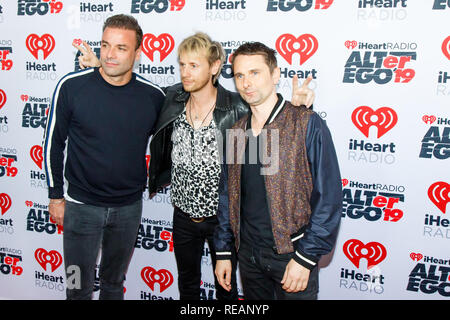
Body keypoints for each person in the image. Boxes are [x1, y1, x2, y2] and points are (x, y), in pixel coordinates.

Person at [75, 33, 315, 300]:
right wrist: (101, 65)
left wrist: (298, 109)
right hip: (183, 216)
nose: (185, 73)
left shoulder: (237, 107)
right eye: (181, 65)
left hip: (222, 220)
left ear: (214, 67)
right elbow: (132, 92)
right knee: (187, 285)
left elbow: (271, 132)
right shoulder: (170, 99)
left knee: (226, 288)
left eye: (193, 65)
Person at [43, 14, 165, 300]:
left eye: (121, 48)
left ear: (138, 52)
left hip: (128, 209)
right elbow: (53, 143)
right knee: (76, 286)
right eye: (105, 45)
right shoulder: (72, 86)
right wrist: (55, 196)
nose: (110, 54)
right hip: (79, 209)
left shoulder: (153, 96)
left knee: (114, 283)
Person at [214, 42, 342, 300]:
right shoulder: (238, 131)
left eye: (255, 72)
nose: (246, 82)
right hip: (248, 256)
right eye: (239, 75)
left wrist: (305, 258)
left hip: (291, 255)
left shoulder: (305, 123)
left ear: (275, 75)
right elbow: (228, 196)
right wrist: (224, 252)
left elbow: (328, 196)